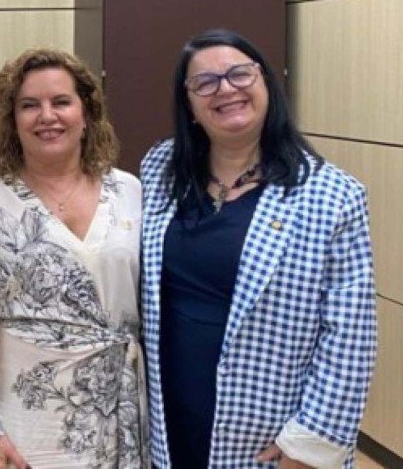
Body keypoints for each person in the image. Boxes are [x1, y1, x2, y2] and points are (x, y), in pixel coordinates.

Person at [141, 29, 376, 469]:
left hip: (269, 435)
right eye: (205, 83)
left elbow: (351, 335)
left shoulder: (332, 195)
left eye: (239, 74)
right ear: (189, 104)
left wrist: (312, 442)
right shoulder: (161, 170)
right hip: (169, 420)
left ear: (266, 83)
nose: (225, 89)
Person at [0, 48, 144, 469]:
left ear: (86, 113)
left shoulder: (130, 193)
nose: (47, 116)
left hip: (122, 417)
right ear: (12, 122)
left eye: (61, 102)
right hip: (23, 426)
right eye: (29, 106)